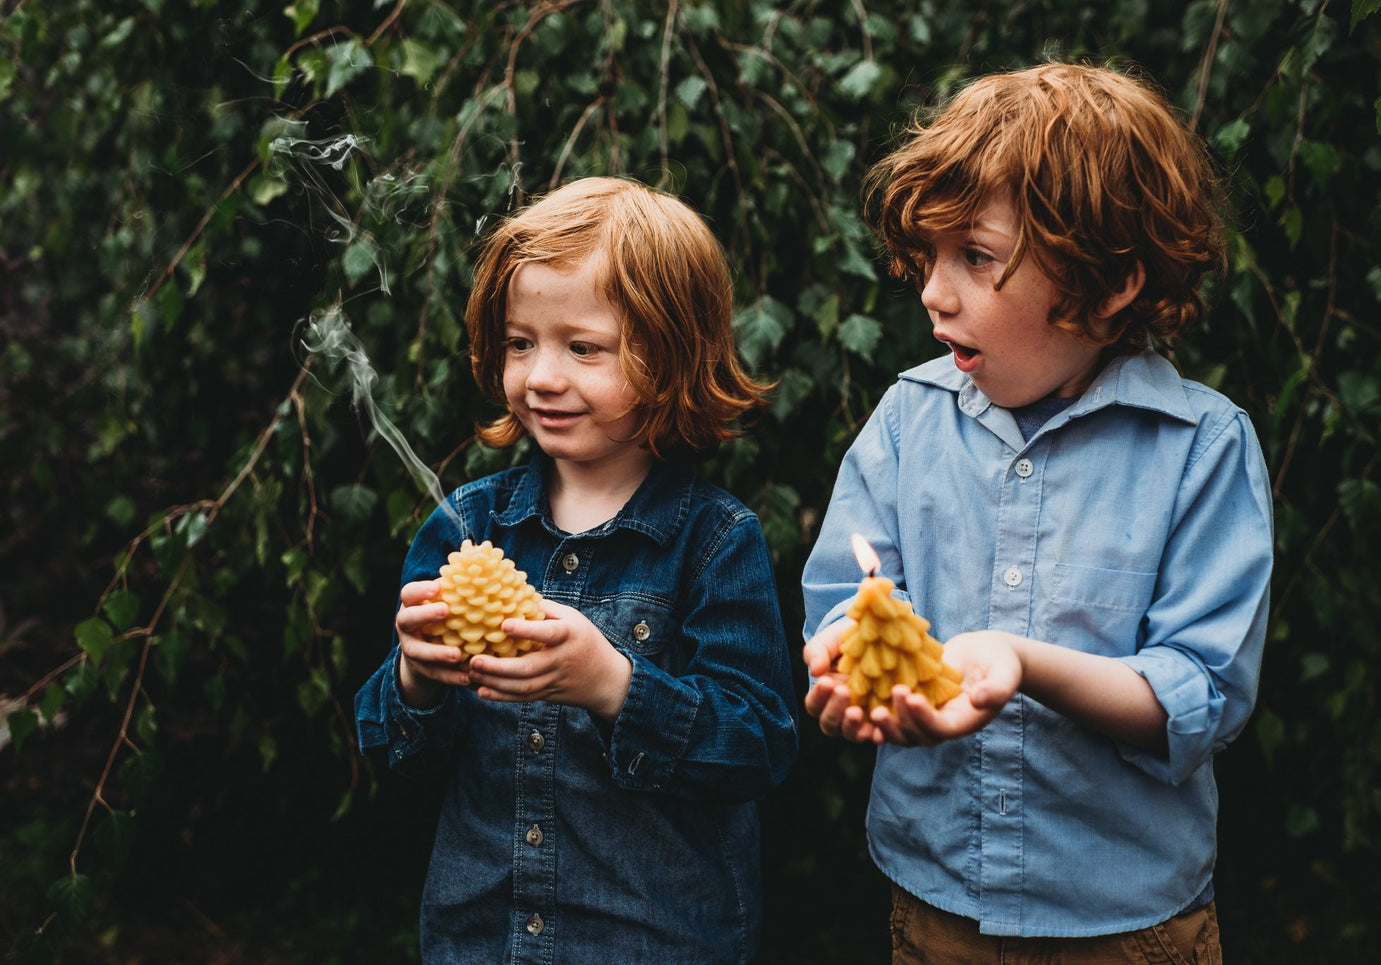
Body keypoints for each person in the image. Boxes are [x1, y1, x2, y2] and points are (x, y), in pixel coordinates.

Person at [801, 62, 1272, 963]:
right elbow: (843, 591)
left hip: (1126, 924)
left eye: (974, 257)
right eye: (929, 256)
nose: (935, 290)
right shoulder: (907, 418)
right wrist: (846, 660)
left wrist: (1019, 663)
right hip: (937, 906)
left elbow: (1199, 692)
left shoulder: (1200, 448)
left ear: (1108, 284)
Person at [356, 177, 798, 964]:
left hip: (650, 942)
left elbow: (756, 744)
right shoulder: (468, 525)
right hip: (481, 939)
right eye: (519, 343)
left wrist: (612, 684)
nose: (540, 376)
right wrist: (416, 680)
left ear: (669, 356)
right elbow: (395, 753)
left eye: (581, 347)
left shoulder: (712, 540)